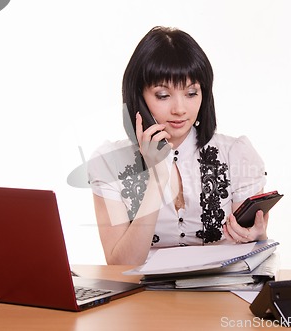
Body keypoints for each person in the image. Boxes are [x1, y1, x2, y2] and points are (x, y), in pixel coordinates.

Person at [88, 26, 269, 265]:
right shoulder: (110, 163)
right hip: (145, 297)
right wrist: (156, 179)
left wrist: (258, 236)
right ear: (138, 98)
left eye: (191, 93)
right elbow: (121, 265)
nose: (180, 109)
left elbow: (254, 255)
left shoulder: (236, 154)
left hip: (221, 293)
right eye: (163, 95)